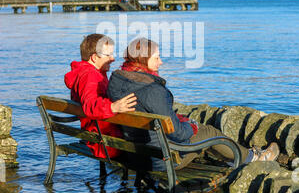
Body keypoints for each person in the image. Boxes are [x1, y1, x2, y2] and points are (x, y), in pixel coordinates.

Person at [107, 37, 280, 171]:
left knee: (197, 130)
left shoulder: (117, 80)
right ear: (143, 60)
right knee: (208, 132)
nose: (161, 62)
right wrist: (193, 126)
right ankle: (252, 158)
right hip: (159, 160)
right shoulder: (153, 90)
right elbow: (179, 135)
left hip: (134, 153)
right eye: (157, 58)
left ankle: (234, 158)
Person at [64, 33, 137, 158]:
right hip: (104, 143)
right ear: (94, 58)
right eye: (108, 55)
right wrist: (113, 107)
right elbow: (90, 105)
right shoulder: (90, 75)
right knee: (148, 141)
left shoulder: (87, 73)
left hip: (95, 136)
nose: (113, 58)